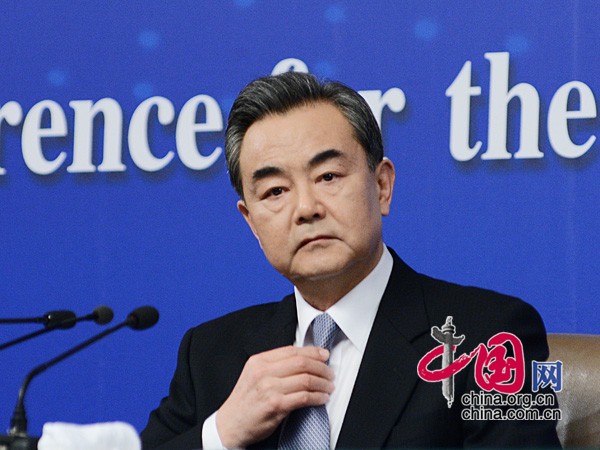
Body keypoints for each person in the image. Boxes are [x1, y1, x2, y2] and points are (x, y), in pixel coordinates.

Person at [140, 72, 561, 449]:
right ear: (250, 221)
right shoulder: (210, 354)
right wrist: (222, 434)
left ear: (382, 186)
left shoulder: (490, 338)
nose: (306, 208)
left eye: (328, 177)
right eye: (275, 191)